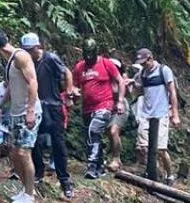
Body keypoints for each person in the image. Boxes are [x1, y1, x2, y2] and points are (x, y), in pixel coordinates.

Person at [0, 29, 39, 203]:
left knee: (24, 153)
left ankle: (30, 195)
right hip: (16, 113)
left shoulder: (21, 57)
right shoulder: (11, 61)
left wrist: (30, 110)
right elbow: (10, 88)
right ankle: (25, 189)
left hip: (27, 112)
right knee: (15, 154)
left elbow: (33, 82)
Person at [22, 32, 75, 201]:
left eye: (31, 49)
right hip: (37, 106)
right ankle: (39, 172)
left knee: (58, 143)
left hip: (53, 106)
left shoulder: (50, 58)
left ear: (38, 47)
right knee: (34, 140)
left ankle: (65, 181)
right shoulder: (27, 63)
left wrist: (68, 92)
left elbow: (66, 72)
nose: (29, 53)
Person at [72, 39, 123, 179]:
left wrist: (120, 102)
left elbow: (120, 80)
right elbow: (75, 85)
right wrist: (74, 92)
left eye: (91, 54)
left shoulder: (106, 63)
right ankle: (100, 166)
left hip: (104, 105)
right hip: (87, 108)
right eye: (86, 54)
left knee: (93, 131)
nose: (88, 57)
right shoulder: (79, 67)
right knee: (91, 136)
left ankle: (92, 166)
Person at [131, 48, 179, 182]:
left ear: (151, 58)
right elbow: (139, 89)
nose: (143, 65)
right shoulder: (142, 73)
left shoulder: (164, 70)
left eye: (144, 62)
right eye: (141, 63)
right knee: (143, 147)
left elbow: (172, 92)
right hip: (146, 115)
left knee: (161, 149)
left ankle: (170, 174)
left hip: (161, 114)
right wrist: (131, 84)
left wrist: (174, 114)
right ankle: (154, 174)